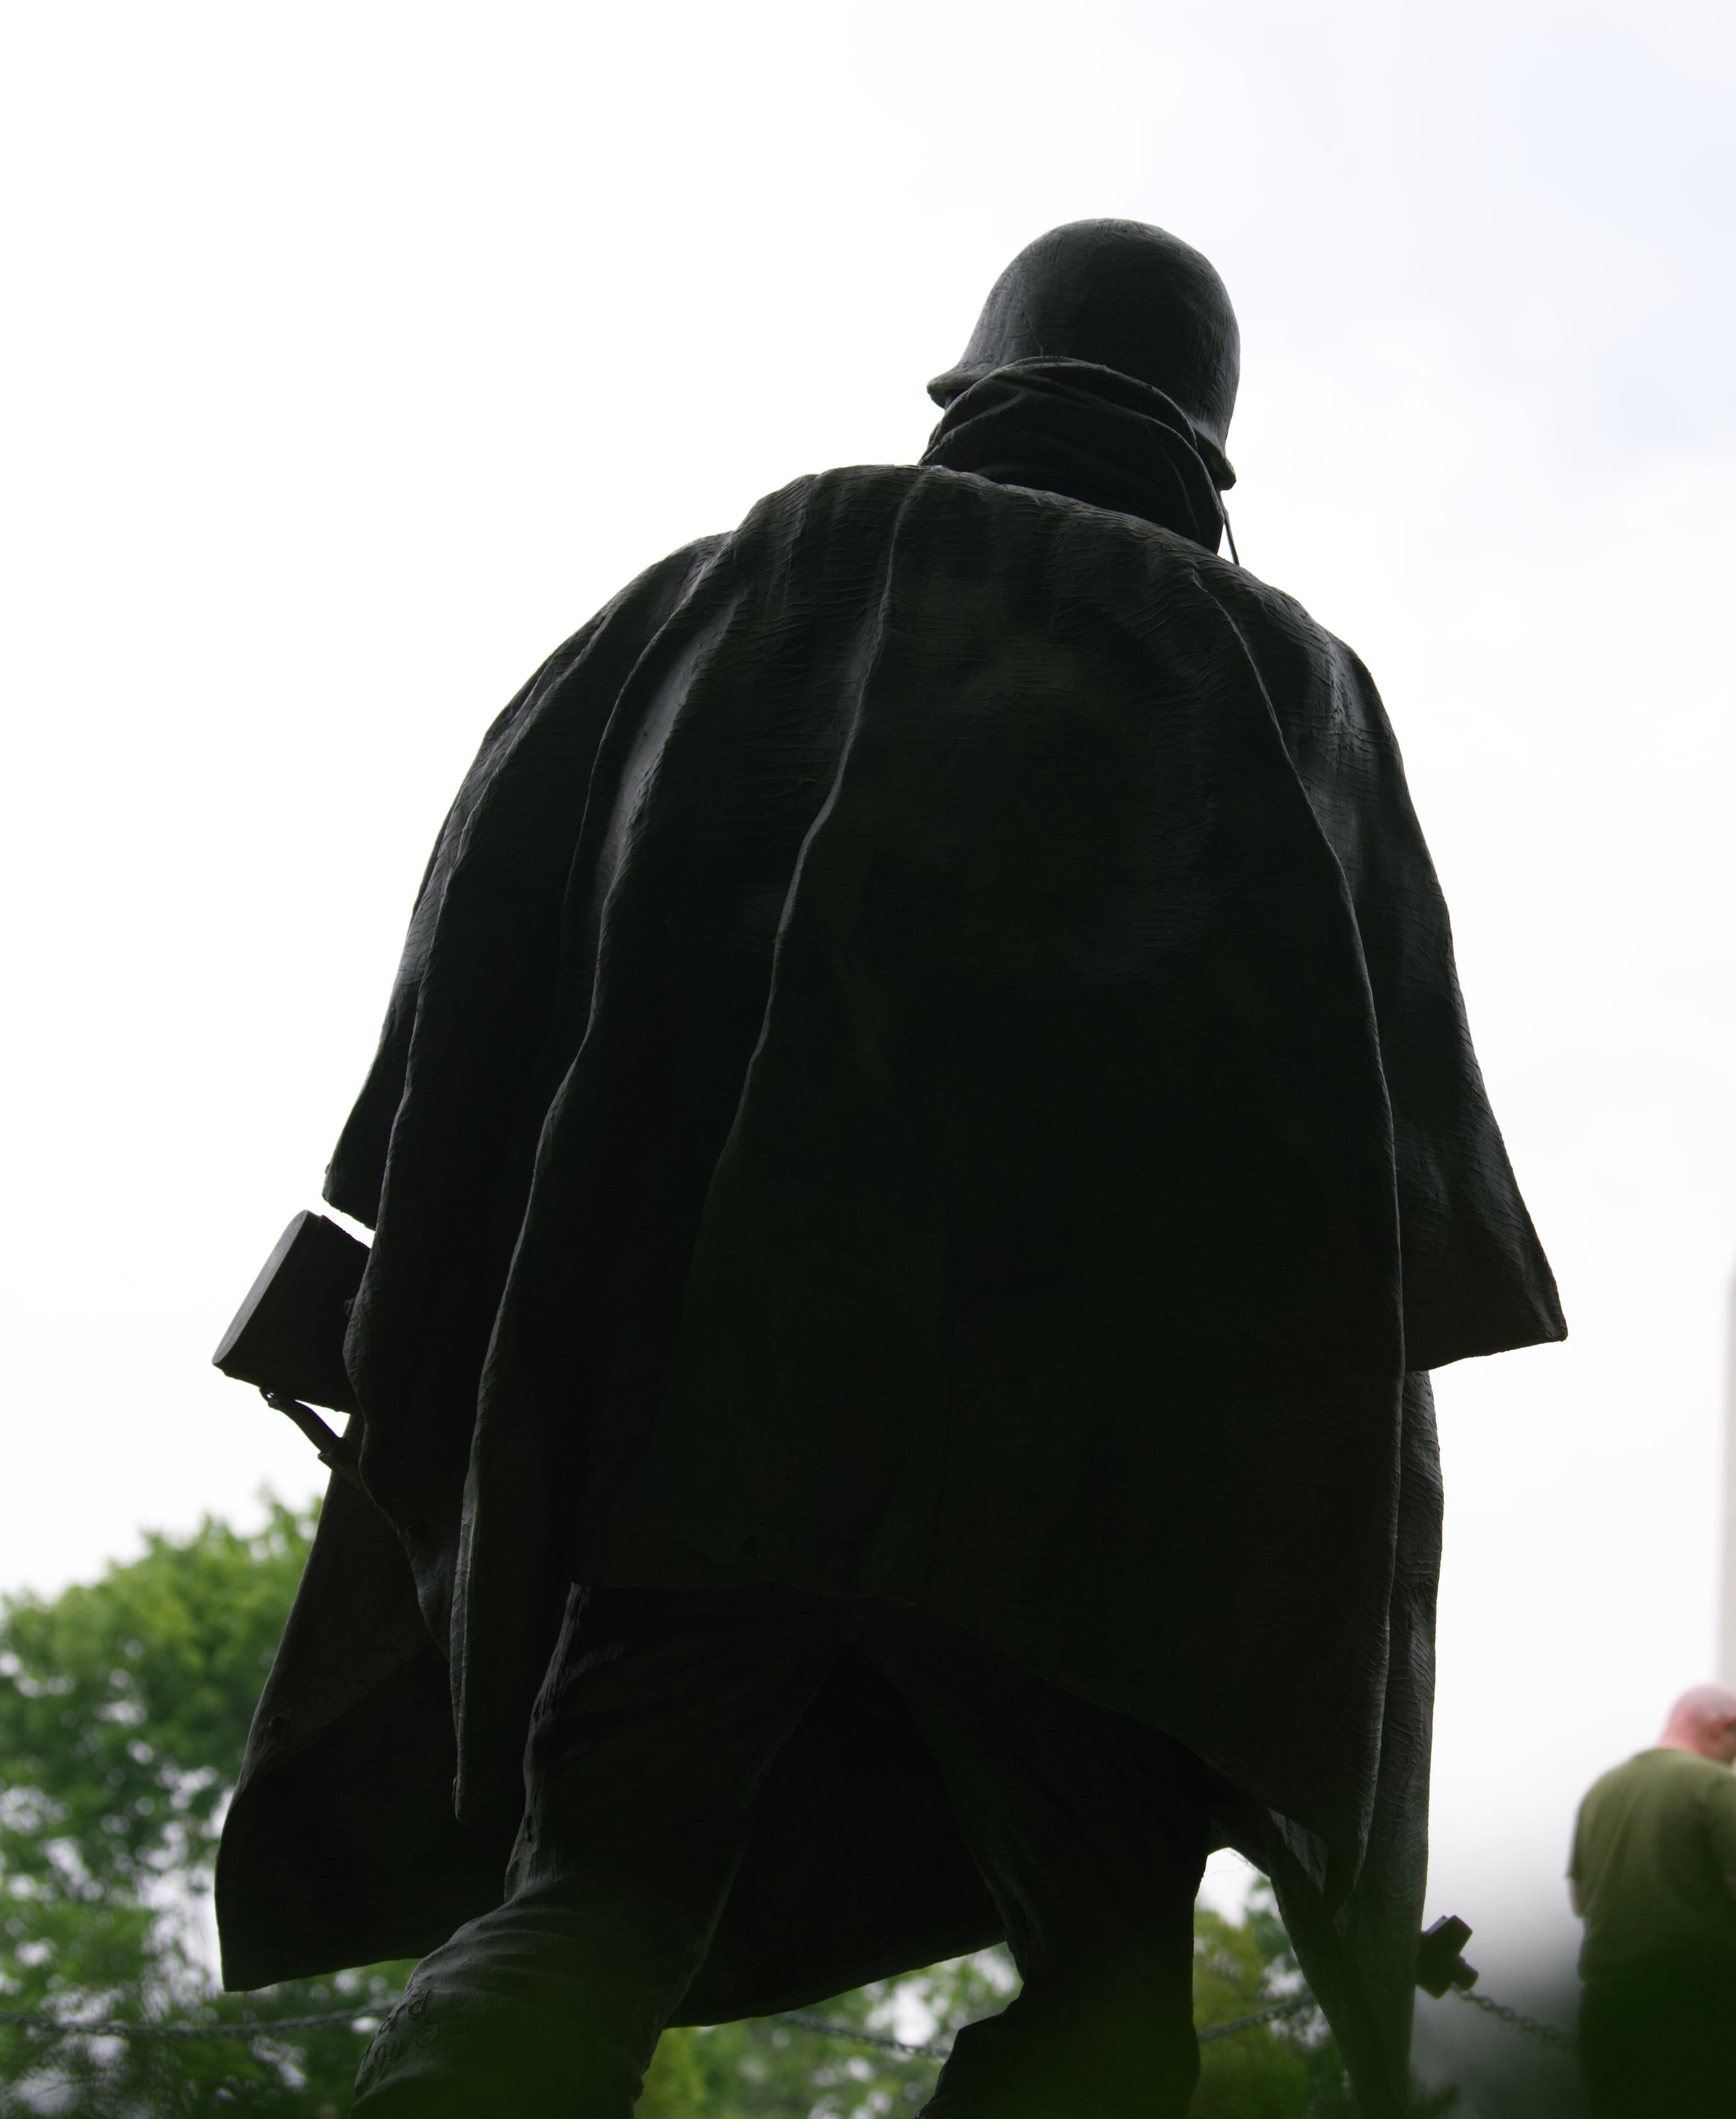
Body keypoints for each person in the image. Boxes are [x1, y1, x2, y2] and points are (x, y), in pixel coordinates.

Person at [207, 220, 1565, 2119]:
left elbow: (486, 951)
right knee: (1104, 1995)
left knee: (594, 1893)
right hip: (1107, 1504)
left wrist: (430, 1273)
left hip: (722, 1418)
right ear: (1201, 443)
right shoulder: (1296, 689)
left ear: (976, 387)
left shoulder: (754, 573)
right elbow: (1408, 1215)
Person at [1567, 1685, 1736, 2116]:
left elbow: (1581, 1901)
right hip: (1698, 2013)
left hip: (1606, 2015)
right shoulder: (1716, 1784)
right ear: (1726, 1728)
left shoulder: (1602, 1788)